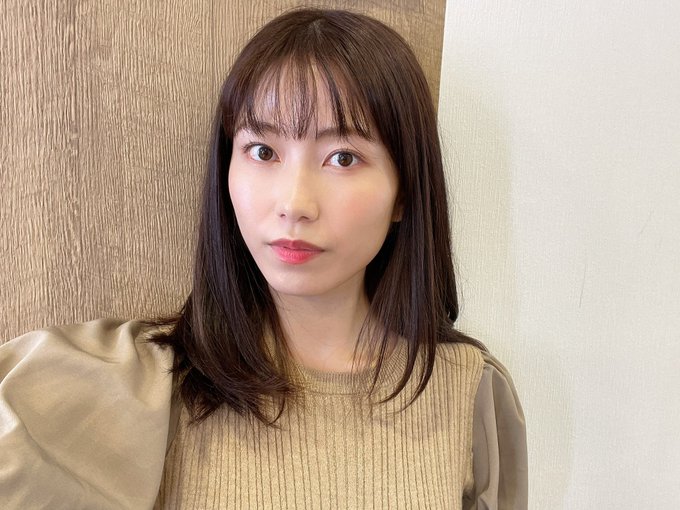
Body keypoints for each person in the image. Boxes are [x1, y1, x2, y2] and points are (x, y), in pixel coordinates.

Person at [0, 8, 527, 510]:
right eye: (263, 151)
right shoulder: (146, 386)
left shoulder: (469, 394)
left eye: (343, 157)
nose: (294, 204)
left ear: (405, 191)